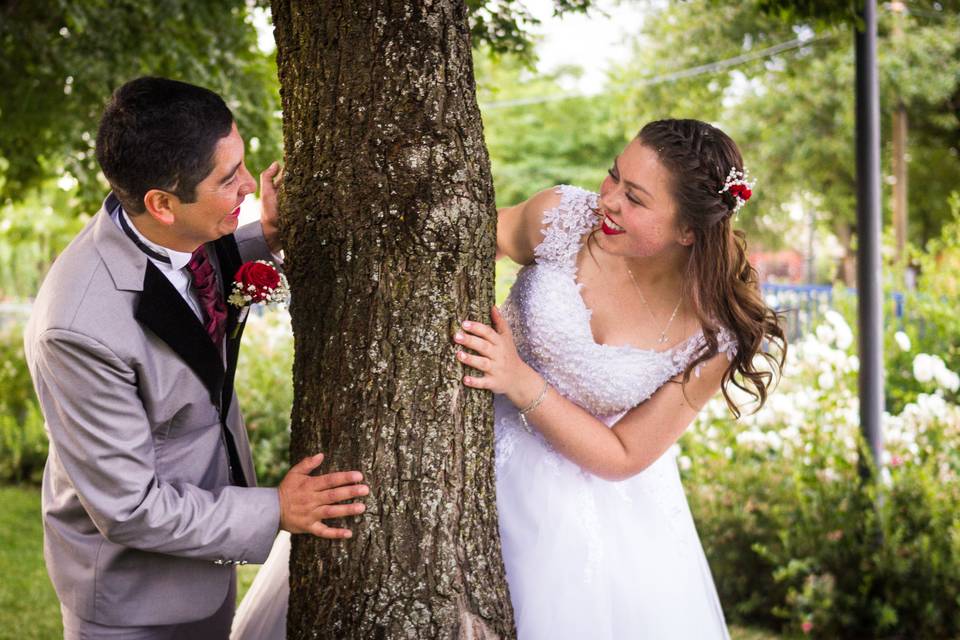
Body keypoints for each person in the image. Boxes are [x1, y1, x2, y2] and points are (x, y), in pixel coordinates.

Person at [24, 76, 368, 640]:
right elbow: (128, 507)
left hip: (206, 564)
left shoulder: (162, 229)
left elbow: (194, 271)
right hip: (134, 602)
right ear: (162, 202)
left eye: (243, 165)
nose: (251, 184)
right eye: (227, 179)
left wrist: (265, 236)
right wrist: (273, 511)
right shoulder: (78, 328)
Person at [453, 118, 786, 638]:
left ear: (688, 230)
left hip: (585, 504)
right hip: (462, 450)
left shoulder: (713, 334)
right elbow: (460, 244)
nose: (608, 200)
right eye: (614, 176)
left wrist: (519, 381)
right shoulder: (559, 219)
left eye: (635, 198)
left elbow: (625, 455)